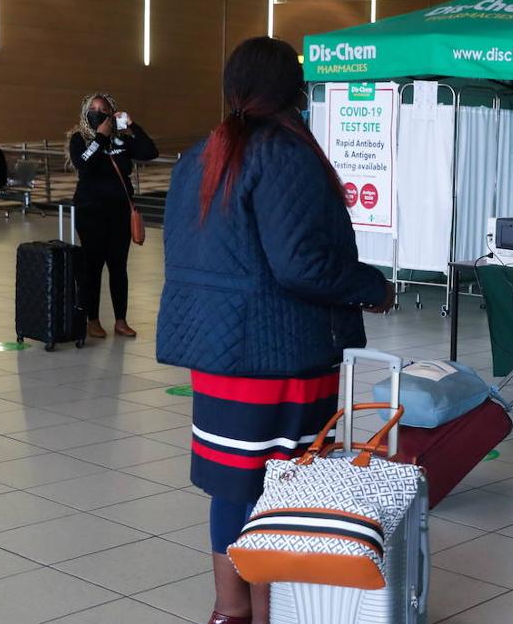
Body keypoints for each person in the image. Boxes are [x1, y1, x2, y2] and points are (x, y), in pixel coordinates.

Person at [156, 37, 393, 624]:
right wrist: (373, 286)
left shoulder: (200, 156)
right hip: (278, 351)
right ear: (294, 90)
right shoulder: (285, 154)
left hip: (213, 350)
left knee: (232, 484)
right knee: (285, 487)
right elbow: (302, 266)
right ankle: (271, 613)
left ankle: (228, 609)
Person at [68, 93, 159, 339]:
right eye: (94, 109)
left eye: (103, 109)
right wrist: (100, 137)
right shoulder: (80, 138)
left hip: (119, 212)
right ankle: (93, 320)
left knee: (118, 266)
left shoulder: (123, 140)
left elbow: (150, 151)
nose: (98, 112)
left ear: (112, 112)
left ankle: (121, 320)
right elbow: (84, 167)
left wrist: (131, 125)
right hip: (90, 212)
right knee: (93, 266)